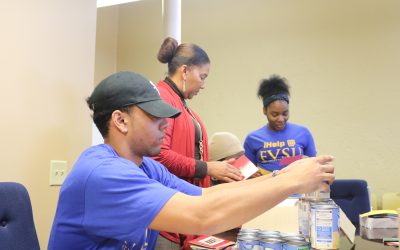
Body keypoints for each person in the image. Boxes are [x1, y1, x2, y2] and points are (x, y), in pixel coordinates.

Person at [48, 71, 335, 250]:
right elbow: (202, 217)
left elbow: (205, 196)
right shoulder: (102, 174)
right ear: (120, 120)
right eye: (154, 116)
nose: (165, 124)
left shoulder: (146, 167)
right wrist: (293, 181)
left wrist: (281, 177)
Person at [154, 37, 242, 248]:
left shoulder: (180, 103)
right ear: (185, 71)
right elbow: (159, 156)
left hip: (185, 209)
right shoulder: (163, 99)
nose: (203, 85)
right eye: (202, 77)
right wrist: (208, 167)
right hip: (169, 212)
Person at [244, 75, 317, 175]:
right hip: (266, 189)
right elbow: (245, 173)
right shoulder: (252, 138)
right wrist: (250, 174)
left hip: (297, 189)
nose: (281, 119)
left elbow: (313, 165)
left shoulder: (303, 133)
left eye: (285, 113)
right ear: (264, 110)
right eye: (275, 114)